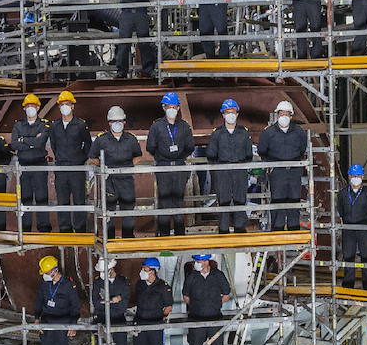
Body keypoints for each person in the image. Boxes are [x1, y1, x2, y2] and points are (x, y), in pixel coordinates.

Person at [146, 92, 195, 237]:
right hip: (163, 167)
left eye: (174, 107)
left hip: (180, 166)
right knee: (165, 202)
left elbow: (190, 146)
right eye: (169, 107)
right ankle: (164, 236)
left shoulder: (184, 127)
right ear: (163, 107)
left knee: (179, 202)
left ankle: (180, 236)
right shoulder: (157, 126)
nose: (172, 109)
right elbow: (150, 147)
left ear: (179, 108)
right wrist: (163, 157)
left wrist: (179, 156)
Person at [90, 106, 142, 238]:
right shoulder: (101, 139)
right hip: (109, 181)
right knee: (109, 212)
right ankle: (110, 240)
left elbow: (138, 155)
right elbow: (92, 157)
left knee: (128, 212)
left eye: (120, 120)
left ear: (124, 121)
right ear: (109, 123)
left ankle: (128, 240)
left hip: (126, 180)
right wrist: (103, 166)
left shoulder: (131, 139)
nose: (117, 124)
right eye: (114, 121)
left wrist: (128, 166)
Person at [257, 100, 309, 231]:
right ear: (277, 115)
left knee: (294, 201)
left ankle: (294, 231)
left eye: (287, 114)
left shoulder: (298, 132)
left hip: (294, 171)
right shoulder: (268, 133)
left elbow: (302, 149)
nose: (284, 117)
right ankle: (277, 230)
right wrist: (271, 164)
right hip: (277, 172)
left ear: (291, 116)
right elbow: (262, 150)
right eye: (281, 114)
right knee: (278, 201)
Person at [183, 253, 231, 345]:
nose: (200, 263)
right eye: (198, 261)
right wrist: (197, 307)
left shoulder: (218, 275)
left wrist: (215, 304)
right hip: (196, 320)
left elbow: (226, 294)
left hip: (215, 319)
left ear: (207, 261)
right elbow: (186, 297)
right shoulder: (192, 277)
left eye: (203, 261)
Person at [205, 99, 252, 234]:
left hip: (239, 171)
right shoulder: (217, 133)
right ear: (223, 115)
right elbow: (211, 154)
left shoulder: (243, 133)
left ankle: (239, 228)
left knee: (240, 199)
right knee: (223, 200)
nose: (230, 114)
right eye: (227, 112)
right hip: (222, 171)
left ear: (237, 114)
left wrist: (242, 166)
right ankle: (223, 229)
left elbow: (249, 154)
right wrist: (218, 170)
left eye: (233, 112)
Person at [33, 256, 81, 345]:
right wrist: (37, 318)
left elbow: (75, 306)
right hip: (47, 323)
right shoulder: (44, 284)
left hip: (62, 324)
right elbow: (39, 301)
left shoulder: (69, 285)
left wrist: (73, 326)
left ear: (54, 271)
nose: (45, 275)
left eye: (46, 273)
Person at [50, 90, 92, 233]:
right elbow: (54, 145)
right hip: (61, 168)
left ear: (73, 106)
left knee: (79, 200)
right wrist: (61, 158)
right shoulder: (55, 126)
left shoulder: (80, 125)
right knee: (62, 201)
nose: (65, 107)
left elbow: (87, 145)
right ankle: (65, 229)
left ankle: (80, 229)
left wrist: (80, 159)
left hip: (77, 169)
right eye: (62, 104)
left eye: (67, 104)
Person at [114, 0, 157, 78]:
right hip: (126, 14)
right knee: (124, 44)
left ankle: (148, 69)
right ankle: (122, 71)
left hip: (141, 14)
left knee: (144, 42)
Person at [11, 93, 52, 233]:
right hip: (24, 166)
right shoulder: (18, 125)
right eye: (27, 106)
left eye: (32, 106)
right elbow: (15, 144)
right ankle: (25, 230)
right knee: (26, 198)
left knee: (42, 197)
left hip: (39, 165)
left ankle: (44, 228)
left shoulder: (44, 124)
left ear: (38, 107)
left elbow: (40, 142)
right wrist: (32, 141)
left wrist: (24, 140)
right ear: (24, 108)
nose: (30, 108)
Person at [338, 164, 367, 290]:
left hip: (364, 227)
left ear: (362, 176)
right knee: (348, 256)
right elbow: (340, 209)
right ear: (349, 176)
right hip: (348, 228)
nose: (355, 178)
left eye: (357, 175)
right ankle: (348, 284)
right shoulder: (343, 193)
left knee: (366, 256)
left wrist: (366, 220)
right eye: (353, 175)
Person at [133, 258, 174, 345]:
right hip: (140, 323)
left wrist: (158, 318)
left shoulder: (163, 286)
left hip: (155, 324)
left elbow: (168, 307)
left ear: (152, 271)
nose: (142, 270)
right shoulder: (140, 284)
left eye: (145, 268)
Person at [91, 259, 130, 345]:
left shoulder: (122, 281)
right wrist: (112, 301)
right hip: (102, 319)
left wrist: (111, 302)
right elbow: (96, 302)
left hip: (118, 319)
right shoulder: (98, 282)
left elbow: (124, 302)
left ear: (111, 269)